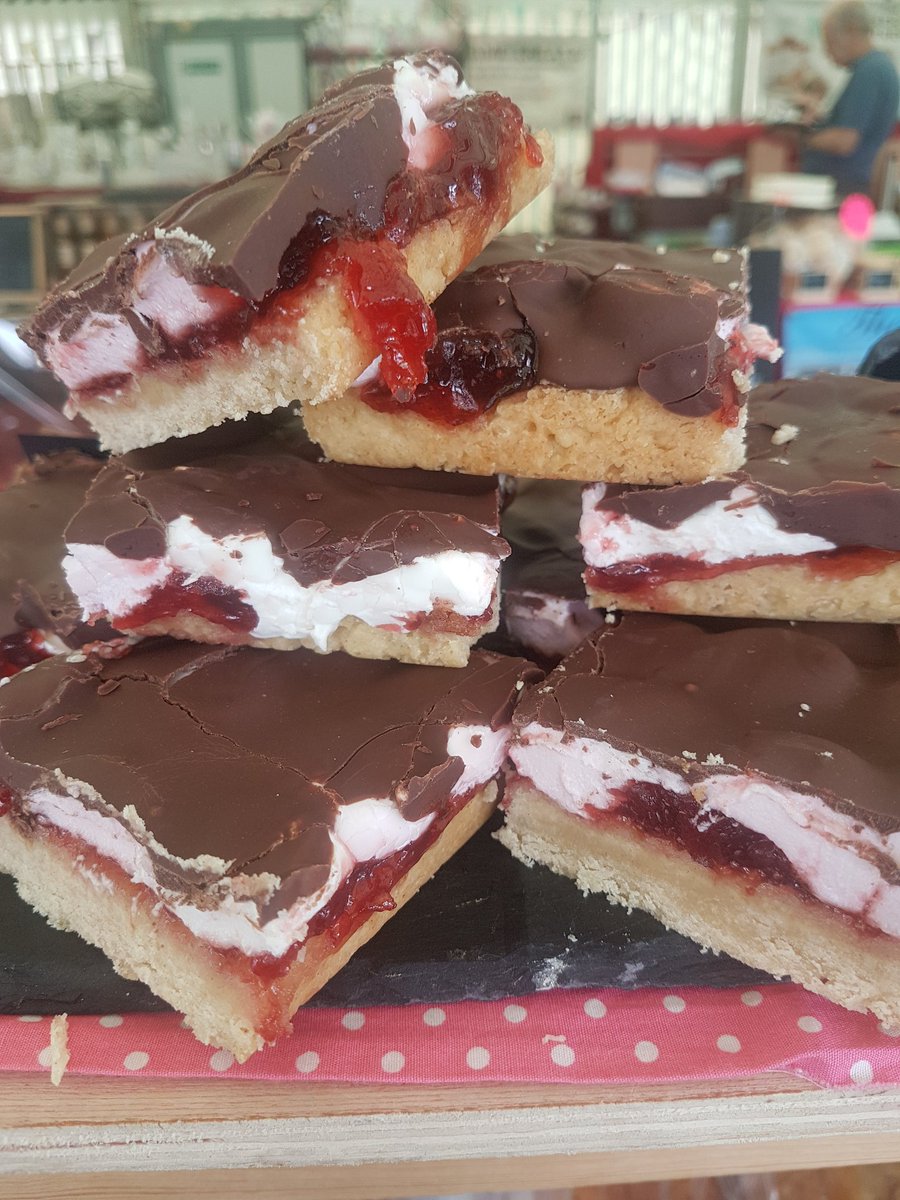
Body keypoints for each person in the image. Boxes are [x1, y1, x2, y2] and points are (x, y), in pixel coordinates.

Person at [801, 1, 899, 196]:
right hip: (848, 184)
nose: (827, 51)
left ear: (851, 31)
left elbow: (844, 140)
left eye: (829, 41)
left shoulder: (870, 71)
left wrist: (802, 137)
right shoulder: (878, 68)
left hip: (843, 188)